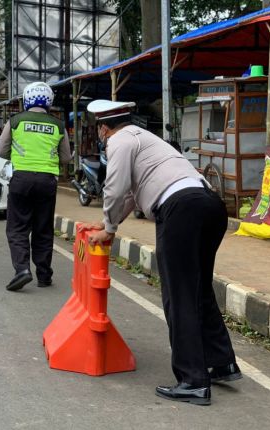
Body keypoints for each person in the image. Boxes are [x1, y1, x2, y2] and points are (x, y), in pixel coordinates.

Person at [86, 99, 239, 406]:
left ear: (104, 128)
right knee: (197, 288)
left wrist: (109, 228)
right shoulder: (147, 139)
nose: (102, 137)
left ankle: (193, 381)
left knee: (179, 293)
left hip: (180, 210)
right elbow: (131, 194)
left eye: (100, 131)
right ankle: (221, 362)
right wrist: (110, 222)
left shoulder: (119, 142)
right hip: (209, 206)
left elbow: (115, 189)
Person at [0, 82, 72, 291]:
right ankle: (44, 275)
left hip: (21, 180)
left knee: (18, 227)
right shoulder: (58, 125)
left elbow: (0, 151)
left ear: (27, 99)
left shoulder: (15, 121)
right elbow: (66, 158)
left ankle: (22, 269)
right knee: (43, 227)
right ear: (49, 101)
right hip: (47, 182)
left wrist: (18, 155)